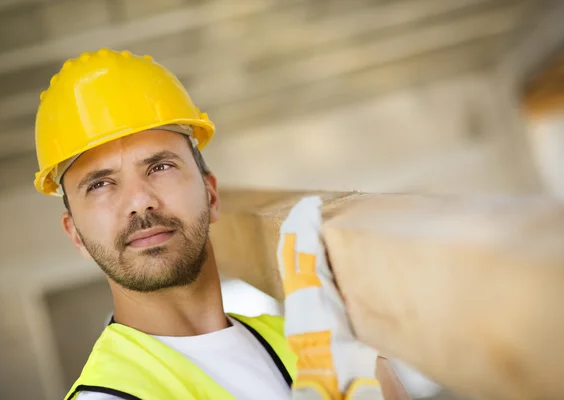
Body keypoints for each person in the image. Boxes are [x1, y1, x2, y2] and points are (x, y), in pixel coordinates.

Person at [34, 49, 440, 400]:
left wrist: (380, 372)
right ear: (76, 235)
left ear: (211, 195)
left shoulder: (306, 340)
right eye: (101, 184)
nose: (140, 200)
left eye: (159, 166)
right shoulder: (110, 394)